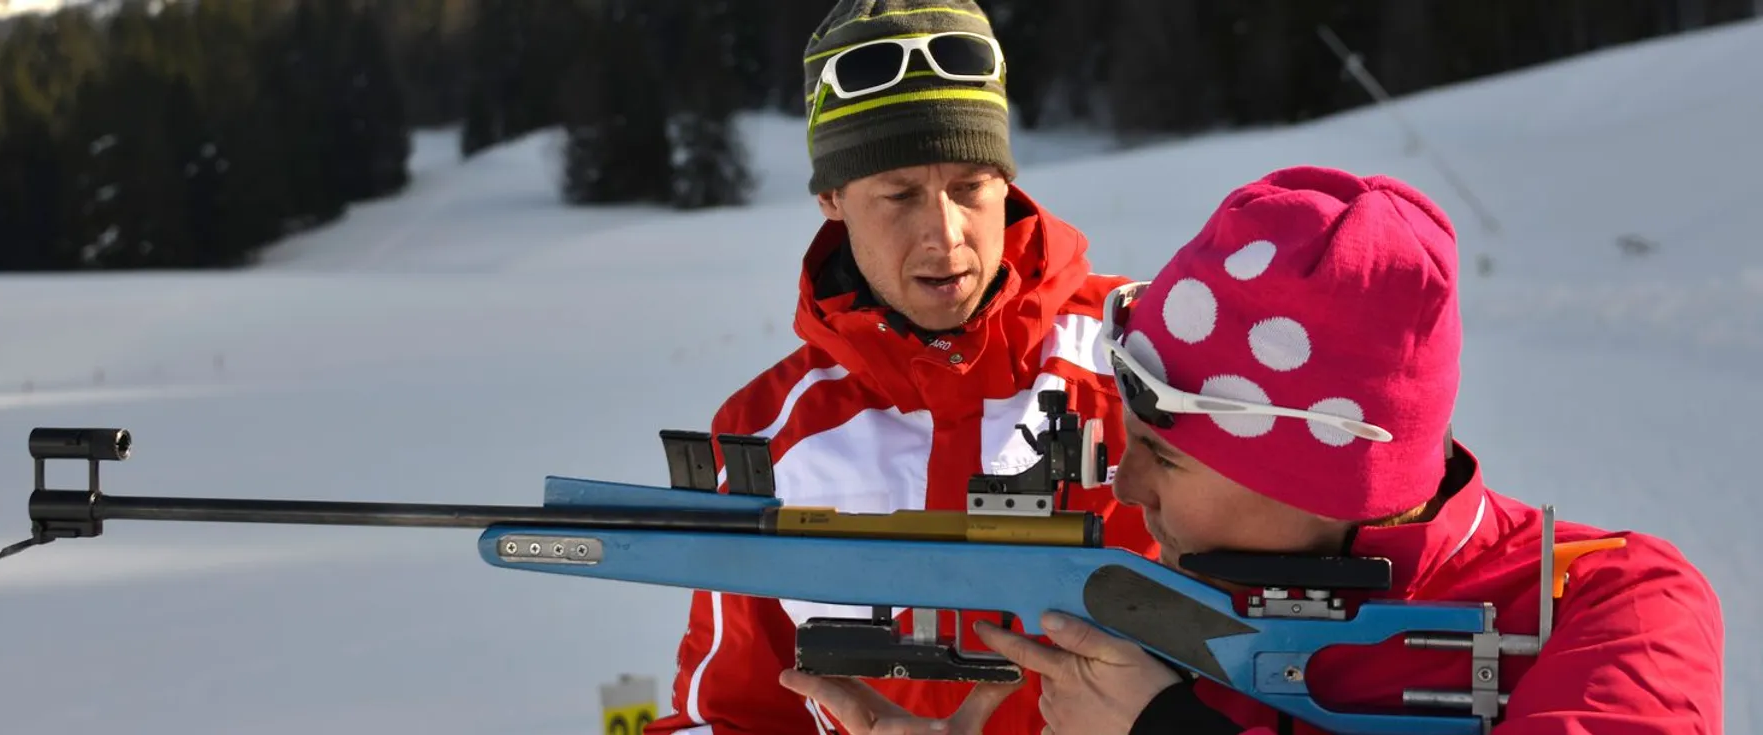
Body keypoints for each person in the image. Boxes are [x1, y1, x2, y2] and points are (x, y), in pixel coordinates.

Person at [917, 165, 1722, 734]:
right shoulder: (1169, 619)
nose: (1127, 486)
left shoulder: (1619, 603)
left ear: (1323, 480)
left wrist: (1169, 727)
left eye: (1168, 456)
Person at [638, 1, 1162, 734]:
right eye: (900, 195)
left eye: (970, 186)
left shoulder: (1146, 360)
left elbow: (1284, 654)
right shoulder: (769, 433)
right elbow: (730, 714)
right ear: (832, 198)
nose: (945, 235)